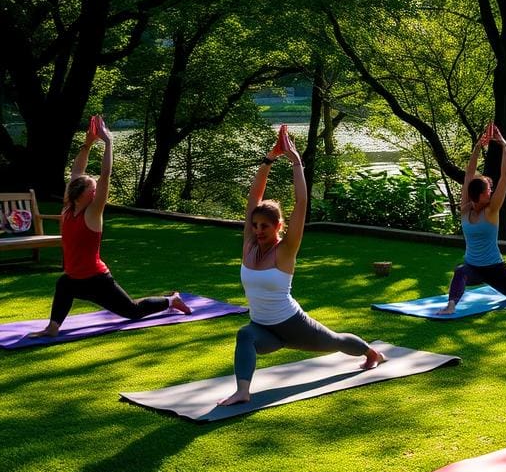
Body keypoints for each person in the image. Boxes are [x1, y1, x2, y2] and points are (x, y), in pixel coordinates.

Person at [218, 125, 384, 406]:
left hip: (294, 325)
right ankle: (243, 391)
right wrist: (269, 160)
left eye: (265, 227)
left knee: (336, 341)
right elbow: (253, 198)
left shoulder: (286, 249)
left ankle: (371, 353)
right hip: (264, 329)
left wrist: (296, 162)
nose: (258, 230)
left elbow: (302, 201)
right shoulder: (249, 245)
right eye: (255, 225)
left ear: (278, 227)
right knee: (245, 335)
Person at [29, 115, 191, 338]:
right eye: (92, 189)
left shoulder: (93, 214)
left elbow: (105, 175)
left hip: (97, 281)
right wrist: (87, 144)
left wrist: (108, 142)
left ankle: (171, 300)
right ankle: (52, 328)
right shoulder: (68, 208)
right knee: (64, 284)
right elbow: (77, 171)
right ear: (79, 193)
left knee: (132, 311)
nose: (96, 192)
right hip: (74, 278)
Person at [441, 123, 506, 314]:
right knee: (460, 271)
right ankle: (451, 305)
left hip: (495, 267)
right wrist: (478, 147)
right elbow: (469, 174)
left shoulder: (492, 210)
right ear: (477, 195)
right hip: (473, 267)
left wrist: (504, 146)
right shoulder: (465, 209)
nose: (492, 192)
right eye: (488, 190)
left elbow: (505, 176)